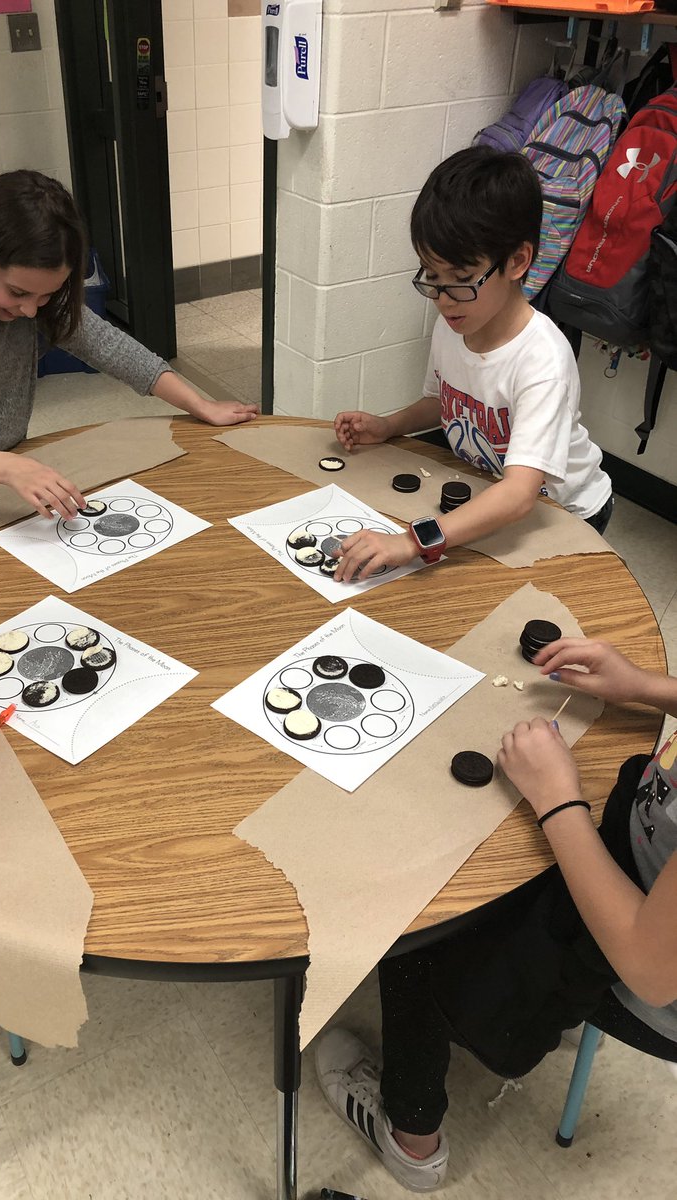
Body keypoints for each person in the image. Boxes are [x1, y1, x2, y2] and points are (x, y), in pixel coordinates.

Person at [316, 637, 677, 1191]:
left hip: (645, 975)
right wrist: (648, 688)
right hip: (643, 863)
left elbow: (649, 970)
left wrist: (556, 799)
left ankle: (412, 1139)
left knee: (421, 931)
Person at [0, 170, 258, 517]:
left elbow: (111, 348)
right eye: (18, 292)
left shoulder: (33, 300)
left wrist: (199, 403)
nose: (31, 310)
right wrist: (7, 468)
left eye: (46, 295)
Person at [331, 146, 613, 584]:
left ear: (517, 261)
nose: (444, 299)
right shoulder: (456, 323)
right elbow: (442, 401)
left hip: (565, 511)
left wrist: (413, 541)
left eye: (462, 279)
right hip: (497, 491)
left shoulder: (542, 359)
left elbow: (520, 495)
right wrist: (388, 426)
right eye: (432, 276)